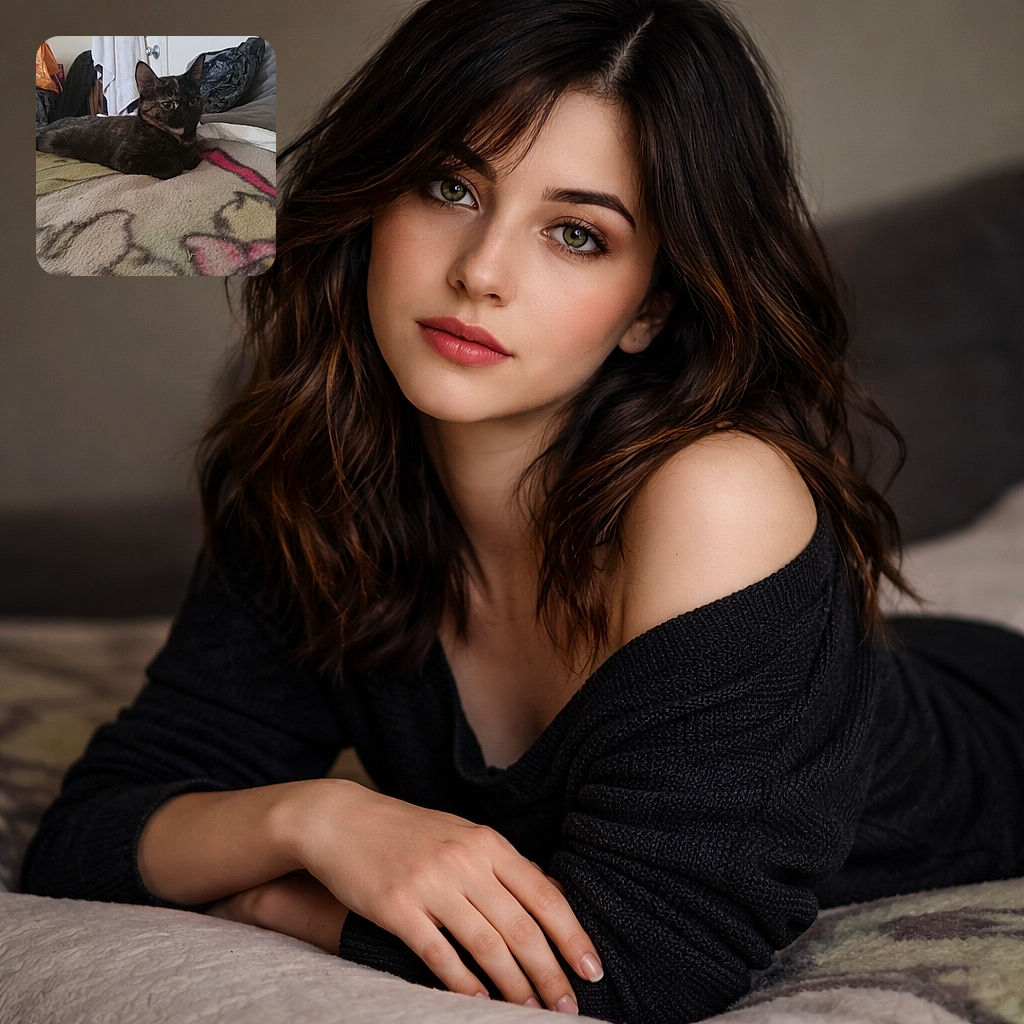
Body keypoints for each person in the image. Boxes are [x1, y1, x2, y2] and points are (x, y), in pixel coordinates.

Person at [21, 1, 1024, 1022]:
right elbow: (93, 833)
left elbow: (642, 967)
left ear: (650, 307)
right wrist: (314, 818)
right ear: (375, 200)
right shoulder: (305, 479)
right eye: (450, 186)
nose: (481, 272)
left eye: (578, 235)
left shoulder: (717, 493)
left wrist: (279, 902)